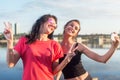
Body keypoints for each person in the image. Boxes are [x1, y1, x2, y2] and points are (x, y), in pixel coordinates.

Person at [3, 14, 76, 80]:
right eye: (51, 22)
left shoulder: (55, 45)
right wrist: (10, 42)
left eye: (55, 25)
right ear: (41, 22)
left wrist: (66, 60)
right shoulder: (24, 40)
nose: (53, 25)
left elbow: (54, 71)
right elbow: (11, 64)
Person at [56, 19, 120, 80]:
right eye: (71, 25)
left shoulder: (79, 46)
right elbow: (58, 68)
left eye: (76, 28)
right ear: (65, 26)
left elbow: (102, 59)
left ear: (76, 33)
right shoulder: (56, 47)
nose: (73, 28)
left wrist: (114, 47)